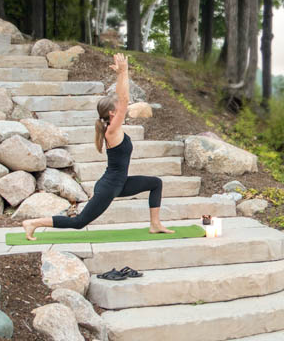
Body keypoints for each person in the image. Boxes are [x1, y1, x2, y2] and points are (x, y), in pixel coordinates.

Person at [21, 53, 174, 240]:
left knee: (155, 183)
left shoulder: (113, 128)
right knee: (79, 222)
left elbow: (121, 97)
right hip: (109, 187)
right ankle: (33, 223)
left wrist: (119, 74)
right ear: (112, 113)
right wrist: (124, 72)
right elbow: (124, 98)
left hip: (120, 183)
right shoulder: (112, 131)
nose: (123, 107)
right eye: (118, 107)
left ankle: (155, 224)